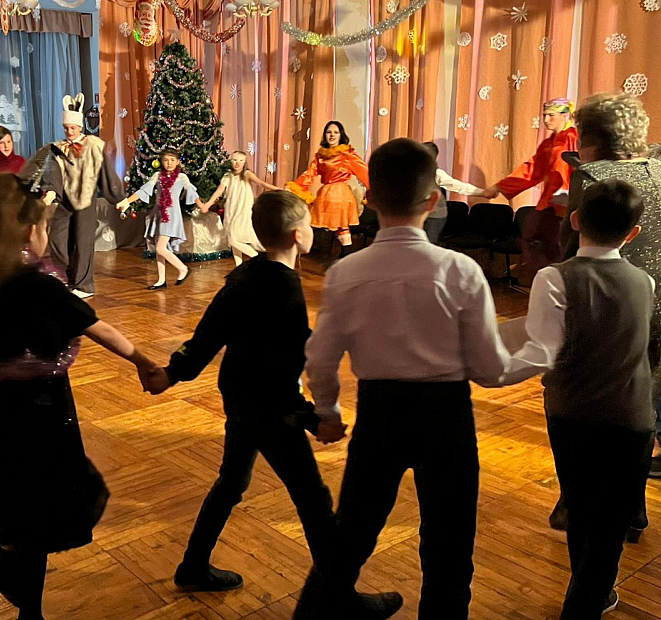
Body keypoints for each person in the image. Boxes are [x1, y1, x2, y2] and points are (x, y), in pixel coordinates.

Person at [0, 173, 164, 620]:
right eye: (42, 224)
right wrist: (144, 363)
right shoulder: (36, 284)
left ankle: (24, 598)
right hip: (43, 408)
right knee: (63, 497)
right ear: (25, 229)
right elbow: (96, 327)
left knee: (22, 501)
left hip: (1, 411)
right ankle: (16, 585)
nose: (45, 234)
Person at [297, 138, 511, 620]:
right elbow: (490, 369)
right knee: (450, 544)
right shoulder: (461, 270)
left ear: (370, 198)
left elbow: (320, 358)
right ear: (433, 199)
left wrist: (328, 411)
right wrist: (538, 354)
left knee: (351, 533)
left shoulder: (346, 272)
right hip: (447, 417)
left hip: (381, 414)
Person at [158, 190, 401, 614]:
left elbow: (208, 334)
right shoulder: (284, 286)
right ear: (296, 235)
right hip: (268, 406)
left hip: (239, 395)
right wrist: (313, 418)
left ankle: (193, 565)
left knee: (232, 482)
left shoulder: (246, 273)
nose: (312, 229)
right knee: (313, 498)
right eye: (308, 223)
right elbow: (286, 364)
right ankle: (339, 599)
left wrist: (172, 373)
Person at [502, 179, 655, 618]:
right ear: (633, 233)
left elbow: (542, 352)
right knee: (612, 520)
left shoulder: (554, 277)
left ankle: (584, 597)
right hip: (632, 417)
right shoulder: (644, 281)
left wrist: (489, 371)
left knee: (580, 506)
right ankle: (592, 596)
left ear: (574, 220)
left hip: (571, 414)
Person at [555, 92, 661, 522]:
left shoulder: (593, 175)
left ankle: (577, 504)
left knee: (586, 404)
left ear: (591, 138)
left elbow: (572, 249)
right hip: (654, 306)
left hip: (605, 307)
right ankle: (632, 509)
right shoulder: (659, 167)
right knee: (641, 404)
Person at [484, 98, 578, 282]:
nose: (546, 120)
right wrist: (499, 186)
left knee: (560, 247)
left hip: (566, 205)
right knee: (531, 236)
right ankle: (547, 281)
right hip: (548, 203)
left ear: (564, 115)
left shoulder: (573, 138)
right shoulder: (548, 144)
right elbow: (532, 169)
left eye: (551, 115)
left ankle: (560, 285)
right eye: (545, 115)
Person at [42, 94, 124, 299]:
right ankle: (68, 276)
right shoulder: (59, 148)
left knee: (82, 241)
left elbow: (105, 172)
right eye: (66, 128)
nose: (69, 132)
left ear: (80, 127)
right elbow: (53, 171)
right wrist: (51, 190)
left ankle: (84, 285)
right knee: (58, 239)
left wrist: (119, 197)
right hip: (65, 201)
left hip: (85, 200)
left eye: (73, 128)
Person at [117, 149, 202, 290]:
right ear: (161, 162)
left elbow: (192, 192)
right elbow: (144, 190)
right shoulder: (157, 176)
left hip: (171, 216)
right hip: (159, 215)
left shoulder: (182, 178)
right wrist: (127, 201)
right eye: (166, 160)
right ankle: (161, 280)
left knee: (160, 248)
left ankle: (183, 268)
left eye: (172, 160)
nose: (169, 163)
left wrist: (202, 205)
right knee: (159, 249)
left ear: (178, 162)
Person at [287, 121, 369, 258]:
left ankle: (345, 256)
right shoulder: (320, 156)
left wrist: (374, 189)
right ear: (325, 135)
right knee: (314, 221)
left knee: (342, 227)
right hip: (326, 194)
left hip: (341, 195)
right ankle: (302, 251)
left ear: (341, 135)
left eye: (336, 132)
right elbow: (310, 174)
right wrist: (295, 187)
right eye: (329, 132)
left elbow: (364, 172)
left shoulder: (347, 154)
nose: (332, 135)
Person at [199, 150, 279, 265]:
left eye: (241, 160)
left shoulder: (246, 174)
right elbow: (219, 191)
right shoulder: (228, 176)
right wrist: (208, 203)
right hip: (232, 209)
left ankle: (259, 259)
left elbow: (261, 183)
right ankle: (239, 267)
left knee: (232, 239)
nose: (237, 163)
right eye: (235, 160)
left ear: (244, 162)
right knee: (232, 238)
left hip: (243, 210)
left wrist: (278, 189)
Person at [422, 142, 493, 245]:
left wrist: (482, 192)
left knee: (427, 245)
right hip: (416, 215)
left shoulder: (436, 173)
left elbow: (458, 186)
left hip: (434, 217)